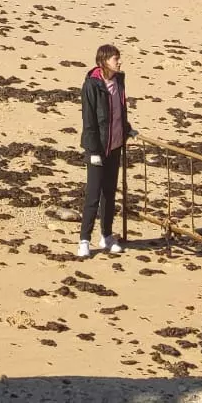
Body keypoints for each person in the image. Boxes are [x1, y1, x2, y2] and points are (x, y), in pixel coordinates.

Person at [77, 43, 133, 258]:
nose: (119, 62)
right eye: (115, 59)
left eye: (118, 58)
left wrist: (127, 129)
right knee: (93, 195)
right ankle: (84, 240)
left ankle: (107, 236)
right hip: (97, 149)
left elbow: (120, 110)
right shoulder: (91, 85)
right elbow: (89, 120)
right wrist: (93, 151)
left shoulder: (119, 80)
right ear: (103, 61)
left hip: (115, 146)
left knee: (109, 194)